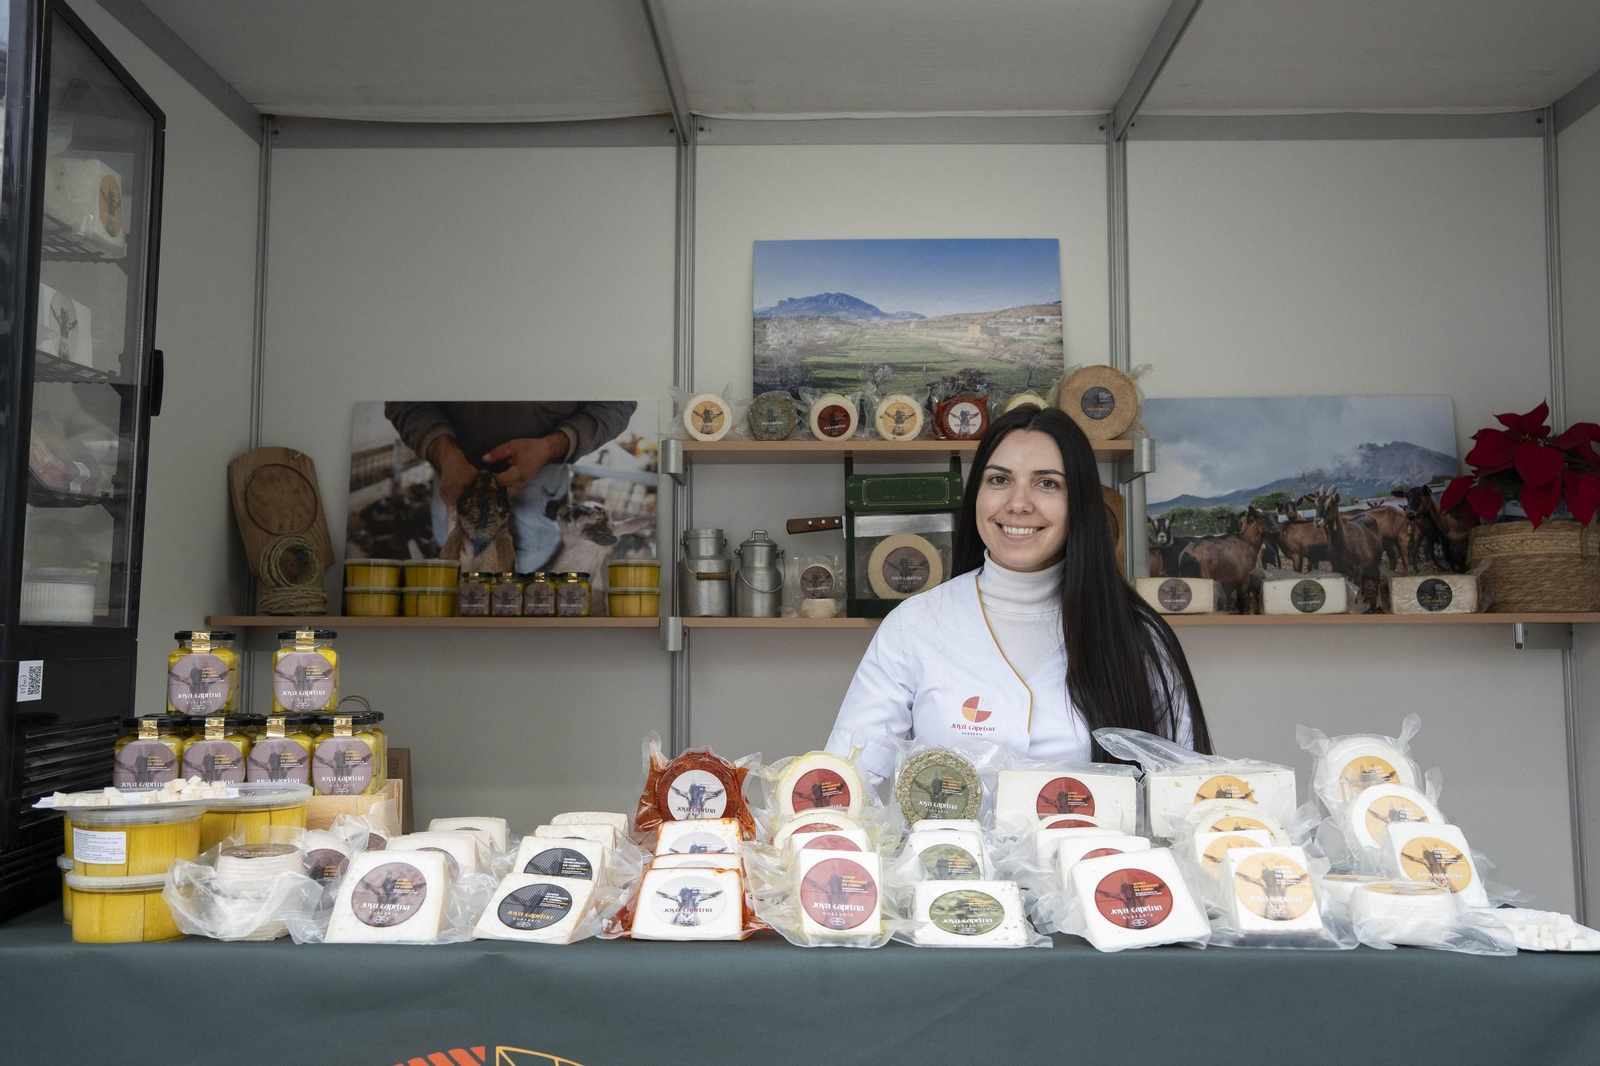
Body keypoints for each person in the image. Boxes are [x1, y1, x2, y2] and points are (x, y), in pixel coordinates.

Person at [826, 403, 1212, 778]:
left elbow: (1184, 792)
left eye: (1047, 483)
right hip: (948, 847)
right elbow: (848, 779)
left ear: (1079, 502)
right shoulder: (913, 626)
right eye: (999, 479)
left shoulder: (1138, 634)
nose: (1018, 504)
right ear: (976, 493)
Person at [384, 401, 637, 573]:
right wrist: (443, 451)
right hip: (453, 512)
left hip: (536, 524)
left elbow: (618, 403)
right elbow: (404, 402)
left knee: (526, 604)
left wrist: (553, 445)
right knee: (461, 594)